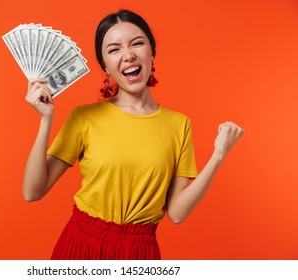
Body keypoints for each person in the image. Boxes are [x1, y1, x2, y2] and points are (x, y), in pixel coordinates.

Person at [22, 9, 244, 260]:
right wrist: (46, 119)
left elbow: (178, 213)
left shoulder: (179, 124)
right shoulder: (83, 117)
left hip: (140, 252)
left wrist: (218, 155)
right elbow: (32, 192)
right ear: (105, 65)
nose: (128, 55)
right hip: (81, 245)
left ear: (151, 52)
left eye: (137, 43)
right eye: (114, 49)